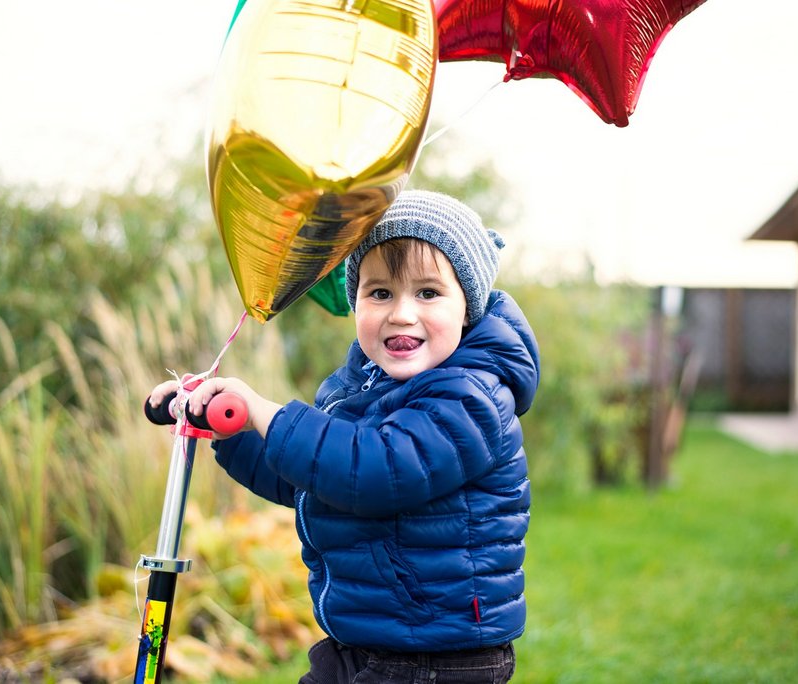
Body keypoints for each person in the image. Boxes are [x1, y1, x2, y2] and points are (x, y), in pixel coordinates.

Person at [149, 190, 540, 684]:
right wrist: (229, 425)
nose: (401, 313)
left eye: (427, 293)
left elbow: (376, 470)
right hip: (367, 641)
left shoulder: (470, 397)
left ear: (468, 307)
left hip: (437, 656)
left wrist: (270, 414)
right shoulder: (361, 387)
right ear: (355, 302)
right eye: (380, 293)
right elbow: (315, 479)